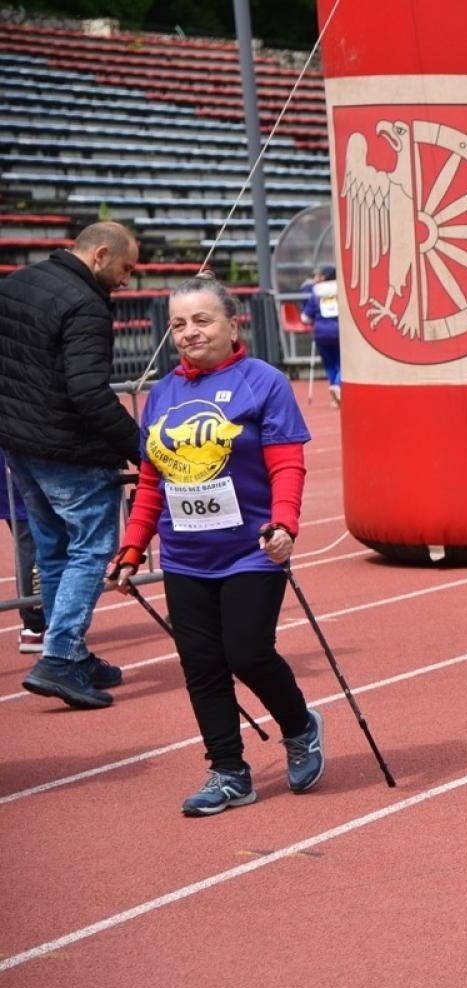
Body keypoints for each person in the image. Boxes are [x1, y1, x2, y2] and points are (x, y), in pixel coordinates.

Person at [107, 275, 321, 816]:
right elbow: (153, 482)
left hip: (252, 548)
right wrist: (133, 547)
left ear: (232, 323)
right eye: (178, 324)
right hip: (185, 556)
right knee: (201, 664)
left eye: (202, 320)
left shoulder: (265, 383)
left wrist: (284, 526)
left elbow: (287, 464)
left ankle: (299, 727)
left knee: (247, 652)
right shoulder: (163, 393)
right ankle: (228, 771)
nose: (188, 333)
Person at [0, 221, 141, 709]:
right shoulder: (85, 304)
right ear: (100, 255)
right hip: (69, 452)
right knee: (90, 549)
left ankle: (72, 653)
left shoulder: (17, 282)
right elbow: (88, 394)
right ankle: (59, 658)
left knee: (54, 548)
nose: (127, 280)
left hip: (20, 448)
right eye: (126, 268)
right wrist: (139, 446)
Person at [2, 448, 47, 652]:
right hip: (17, 475)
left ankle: (39, 623)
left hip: (17, 471)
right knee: (32, 547)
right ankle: (35, 626)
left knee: (35, 544)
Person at [299, 264, 342, 406]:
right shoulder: (341, 291)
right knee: (342, 363)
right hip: (339, 332)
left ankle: (334, 391)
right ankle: (337, 386)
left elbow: (305, 317)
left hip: (321, 333)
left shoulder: (315, 294)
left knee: (329, 363)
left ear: (323, 277)